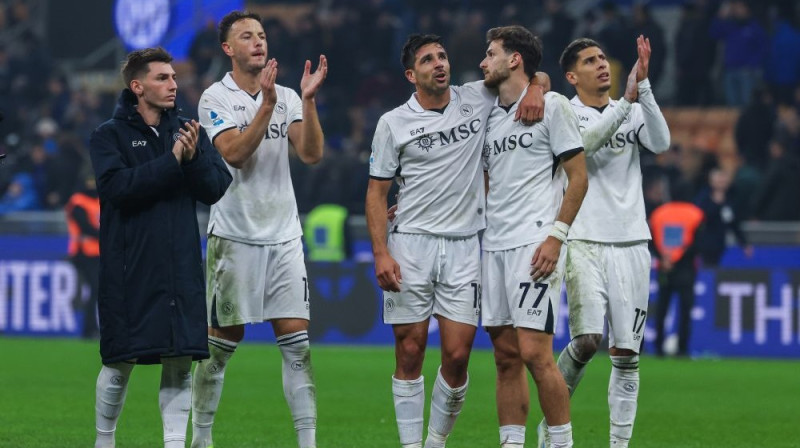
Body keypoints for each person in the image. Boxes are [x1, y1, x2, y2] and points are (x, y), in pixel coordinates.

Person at [366, 33, 543, 448]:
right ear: (412, 74)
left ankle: (435, 440)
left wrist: (536, 86)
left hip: (465, 245)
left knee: (459, 356)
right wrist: (381, 253)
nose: (439, 64)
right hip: (411, 244)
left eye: (442, 56)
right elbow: (376, 192)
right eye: (428, 60)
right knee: (409, 351)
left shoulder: (476, 97)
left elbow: (531, 75)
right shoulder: (393, 123)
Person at [190, 10, 327, 448]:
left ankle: (308, 443)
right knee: (219, 347)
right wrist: (267, 105)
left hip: (284, 236)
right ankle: (202, 437)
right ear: (228, 48)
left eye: (262, 35)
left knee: (298, 347)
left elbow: (310, 154)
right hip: (234, 237)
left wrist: (306, 101)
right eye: (247, 36)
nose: (258, 41)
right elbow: (233, 153)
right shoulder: (215, 98)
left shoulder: (287, 95)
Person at [89, 47, 232, 448]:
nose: (173, 84)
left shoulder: (188, 129)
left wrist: (190, 160)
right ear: (137, 87)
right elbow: (118, 189)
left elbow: (217, 188)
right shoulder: (108, 136)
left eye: (173, 77)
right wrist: (172, 161)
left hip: (179, 265)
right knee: (120, 361)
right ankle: (105, 440)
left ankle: (173, 444)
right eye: (162, 78)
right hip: (129, 266)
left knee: (181, 360)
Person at [538, 36, 671, 448]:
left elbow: (661, 143)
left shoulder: (626, 109)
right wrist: (629, 102)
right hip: (582, 239)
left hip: (631, 240)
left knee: (627, 355)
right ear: (572, 75)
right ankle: (554, 424)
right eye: (590, 61)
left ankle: (619, 445)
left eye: (602, 58)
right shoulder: (563, 111)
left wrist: (643, 88)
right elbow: (586, 145)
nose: (601, 65)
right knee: (586, 340)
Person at [479, 26, 587, 448]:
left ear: (515, 59)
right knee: (505, 357)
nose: (483, 63)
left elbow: (579, 178)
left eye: (490, 54)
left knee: (536, 354)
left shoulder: (553, 106)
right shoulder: (489, 115)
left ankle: (561, 443)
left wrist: (556, 237)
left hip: (535, 244)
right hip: (494, 246)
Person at [649, 183, 705, 357]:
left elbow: (650, 238)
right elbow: (699, 242)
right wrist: (680, 257)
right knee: (685, 309)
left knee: (662, 308)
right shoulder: (696, 214)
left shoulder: (659, 213)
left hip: (664, 267)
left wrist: (663, 258)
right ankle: (682, 348)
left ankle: (658, 347)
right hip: (686, 268)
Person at [64, 168, 100, 339]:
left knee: (96, 290)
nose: (92, 185)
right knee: (93, 289)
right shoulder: (78, 201)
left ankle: (91, 328)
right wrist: (108, 236)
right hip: (83, 252)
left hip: (98, 252)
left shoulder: (99, 199)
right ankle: (88, 329)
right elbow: (85, 226)